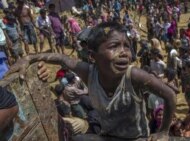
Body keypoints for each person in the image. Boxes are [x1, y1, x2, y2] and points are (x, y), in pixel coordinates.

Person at [7, 22, 176, 141]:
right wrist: (29, 58)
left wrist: (163, 132)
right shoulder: (89, 73)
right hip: (107, 136)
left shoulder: (134, 76)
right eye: (114, 46)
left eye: (126, 46)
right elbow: (61, 58)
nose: (124, 52)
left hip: (137, 138)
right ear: (92, 56)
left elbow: (169, 95)